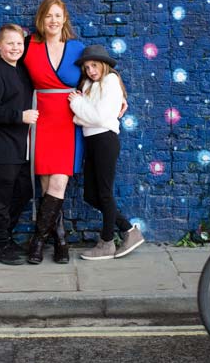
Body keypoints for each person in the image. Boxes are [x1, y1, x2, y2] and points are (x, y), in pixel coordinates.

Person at [0, 0, 85, 265]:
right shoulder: (29, 45)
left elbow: (100, 70)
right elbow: (4, 51)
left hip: (67, 119)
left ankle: (41, 240)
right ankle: (59, 240)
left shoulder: (77, 47)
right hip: (40, 119)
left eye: (58, 15)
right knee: (46, 184)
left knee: (59, 182)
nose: (53, 20)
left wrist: (119, 89)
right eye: (48, 15)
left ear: (65, 18)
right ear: (41, 18)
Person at [68, 45, 144, 260]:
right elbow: (91, 116)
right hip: (91, 140)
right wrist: (83, 115)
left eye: (94, 65)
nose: (91, 70)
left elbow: (100, 118)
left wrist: (78, 105)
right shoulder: (90, 84)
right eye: (86, 67)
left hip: (104, 140)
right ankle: (129, 230)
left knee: (104, 192)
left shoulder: (110, 81)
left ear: (104, 64)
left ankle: (107, 242)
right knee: (91, 195)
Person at [0, 24, 39, 265]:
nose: (15, 47)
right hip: (0, 148)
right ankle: (0, 245)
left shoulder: (21, 69)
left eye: (19, 44)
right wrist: (19, 116)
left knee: (24, 191)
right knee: (1, 200)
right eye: (10, 43)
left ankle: (5, 236)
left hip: (18, 147)